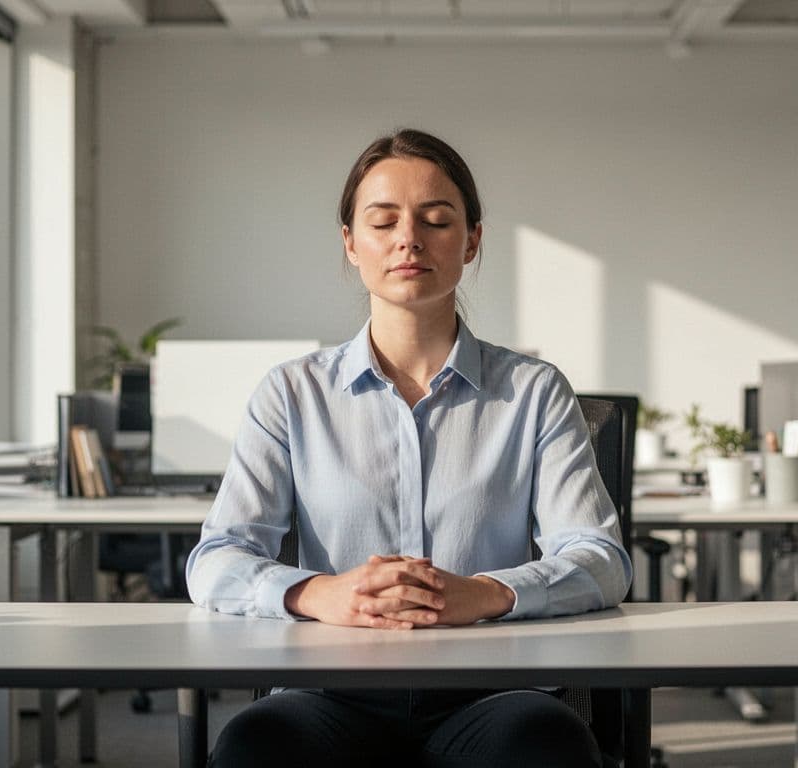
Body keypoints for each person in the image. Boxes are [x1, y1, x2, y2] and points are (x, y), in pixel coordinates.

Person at [186, 128, 632, 768]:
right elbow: (216, 558)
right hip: (330, 692)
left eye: (436, 219)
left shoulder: (535, 391)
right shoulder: (291, 393)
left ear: (472, 239)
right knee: (257, 748)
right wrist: (319, 594)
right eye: (383, 220)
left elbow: (600, 558)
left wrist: (486, 594)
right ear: (350, 242)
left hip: (491, 694)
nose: (408, 239)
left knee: (544, 748)